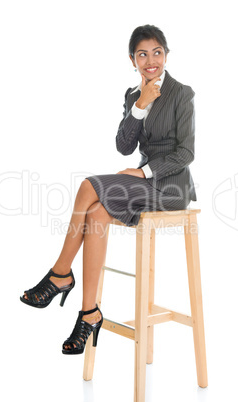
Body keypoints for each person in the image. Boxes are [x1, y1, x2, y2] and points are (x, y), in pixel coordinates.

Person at [20, 24, 197, 355]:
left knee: (89, 186)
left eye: (157, 52)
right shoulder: (133, 95)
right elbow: (123, 146)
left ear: (167, 55)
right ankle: (90, 313)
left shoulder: (182, 94)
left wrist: (143, 172)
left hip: (171, 188)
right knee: (97, 211)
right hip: (143, 185)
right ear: (132, 59)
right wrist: (140, 105)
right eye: (142, 54)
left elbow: (186, 153)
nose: (151, 61)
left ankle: (60, 275)